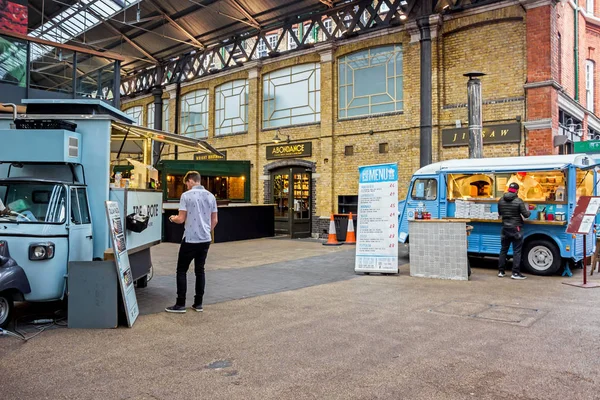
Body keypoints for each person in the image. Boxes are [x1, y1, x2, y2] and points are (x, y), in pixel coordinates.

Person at [165, 171, 218, 313]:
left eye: (187, 184)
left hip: (190, 239)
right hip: (205, 239)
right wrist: (206, 230)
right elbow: (215, 220)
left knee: (181, 270)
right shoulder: (211, 196)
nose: (187, 186)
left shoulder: (186, 196)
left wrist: (172, 218)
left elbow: (181, 218)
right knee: (200, 271)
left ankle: (180, 304)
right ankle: (198, 303)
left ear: (190, 180)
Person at [498, 182, 531, 280]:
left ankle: (501, 271)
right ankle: (515, 273)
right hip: (516, 228)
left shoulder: (500, 200)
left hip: (505, 228)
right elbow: (526, 215)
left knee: (503, 250)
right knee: (517, 251)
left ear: (508, 189)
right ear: (517, 190)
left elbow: (500, 213)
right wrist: (530, 211)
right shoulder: (518, 201)